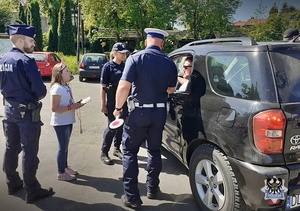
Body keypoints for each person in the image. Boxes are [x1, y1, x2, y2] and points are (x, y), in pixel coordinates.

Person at [113, 28, 178, 208]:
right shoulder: (170, 63)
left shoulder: (135, 58)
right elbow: (171, 90)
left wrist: (118, 108)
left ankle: (132, 197)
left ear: (146, 42)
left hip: (138, 113)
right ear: (162, 43)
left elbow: (123, 87)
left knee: (130, 151)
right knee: (154, 151)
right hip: (158, 114)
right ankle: (152, 188)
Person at [0, 24, 54, 203]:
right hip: (27, 114)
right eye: (31, 41)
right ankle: (32, 190)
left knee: (10, 148)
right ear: (20, 40)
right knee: (29, 151)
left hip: (9, 111)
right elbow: (39, 91)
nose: (33, 44)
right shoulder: (25, 61)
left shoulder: (2, 59)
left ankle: (12, 182)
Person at [50, 63, 84, 181]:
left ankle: (64, 167)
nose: (70, 73)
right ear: (59, 74)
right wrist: (71, 107)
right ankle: (61, 172)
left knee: (65, 146)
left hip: (68, 121)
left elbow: (68, 104)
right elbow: (54, 108)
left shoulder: (66, 86)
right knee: (62, 147)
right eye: (67, 71)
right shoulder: (57, 88)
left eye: (69, 71)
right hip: (61, 122)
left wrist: (77, 105)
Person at [100, 42, 129, 165]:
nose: (124, 55)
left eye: (125, 53)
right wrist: (103, 104)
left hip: (124, 101)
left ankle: (117, 149)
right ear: (114, 53)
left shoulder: (126, 66)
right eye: (121, 53)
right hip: (112, 102)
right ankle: (104, 151)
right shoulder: (107, 67)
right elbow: (103, 87)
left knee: (121, 127)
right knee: (112, 127)